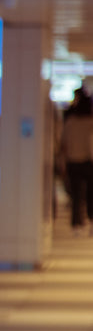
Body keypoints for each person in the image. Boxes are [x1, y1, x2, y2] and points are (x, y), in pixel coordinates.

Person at [61, 89, 93, 235]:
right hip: (88, 161)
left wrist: (63, 161)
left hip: (73, 160)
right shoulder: (90, 122)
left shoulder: (70, 122)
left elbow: (64, 143)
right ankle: (91, 221)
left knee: (76, 194)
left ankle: (76, 225)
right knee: (90, 194)